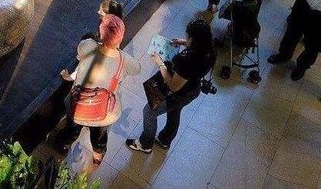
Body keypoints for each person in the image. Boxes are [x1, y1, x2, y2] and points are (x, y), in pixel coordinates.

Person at [58, 15, 140, 165]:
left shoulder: (87, 46)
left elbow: (83, 46)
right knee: (99, 138)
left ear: (101, 34)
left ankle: (63, 146)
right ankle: (97, 157)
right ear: (121, 38)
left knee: (71, 130)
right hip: (104, 113)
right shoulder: (125, 60)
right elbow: (137, 69)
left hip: (77, 107)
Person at [125, 19, 216, 153]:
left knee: (149, 112)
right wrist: (184, 42)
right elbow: (198, 51)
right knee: (174, 112)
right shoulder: (210, 50)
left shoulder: (186, 61)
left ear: (193, 39)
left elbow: (173, 86)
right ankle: (165, 140)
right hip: (192, 89)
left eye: (187, 37)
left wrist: (160, 63)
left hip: (178, 94)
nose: (186, 38)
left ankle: (145, 144)